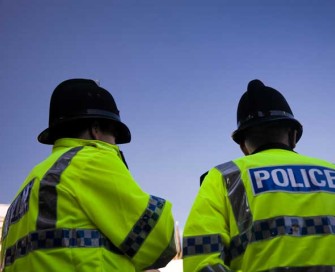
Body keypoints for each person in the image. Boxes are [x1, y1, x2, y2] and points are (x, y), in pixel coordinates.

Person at [0, 79, 177, 271]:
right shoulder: (90, 160)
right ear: (96, 130)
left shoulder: (31, 184)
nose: (115, 144)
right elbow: (160, 241)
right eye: (114, 136)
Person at [182, 79, 335, 271]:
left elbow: (201, 259)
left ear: (243, 145)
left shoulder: (224, 177)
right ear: (294, 135)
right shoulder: (332, 172)